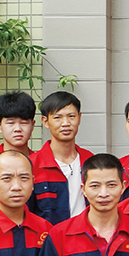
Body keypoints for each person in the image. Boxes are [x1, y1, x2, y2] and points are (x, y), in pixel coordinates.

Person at [29, 91, 95, 225]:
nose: (65, 123)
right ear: (45, 121)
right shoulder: (32, 165)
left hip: (87, 236)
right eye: (57, 117)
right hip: (48, 237)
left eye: (71, 116)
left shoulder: (91, 161)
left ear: (79, 118)